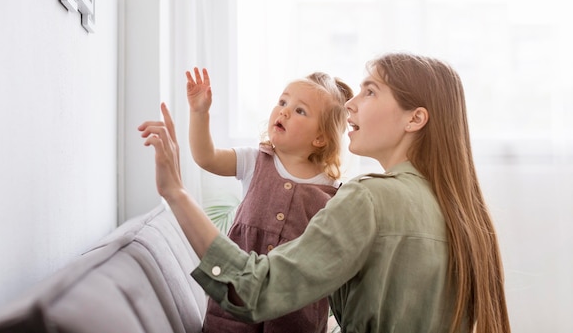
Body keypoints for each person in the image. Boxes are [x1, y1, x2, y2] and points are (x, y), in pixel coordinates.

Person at [138, 53, 511, 333]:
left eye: (370, 91)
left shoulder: (367, 198)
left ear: (415, 119)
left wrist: (175, 192)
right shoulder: (459, 211)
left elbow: (254, 292)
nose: (350, 104)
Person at [185, 67, 354, 333]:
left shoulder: (332, 191)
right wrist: (199, 113)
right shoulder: (254, 161)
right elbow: (206, 157)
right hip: (236, 299)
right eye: (283, 102)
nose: (284, 111)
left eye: (300, 110)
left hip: (295, 312)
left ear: (320, 137)